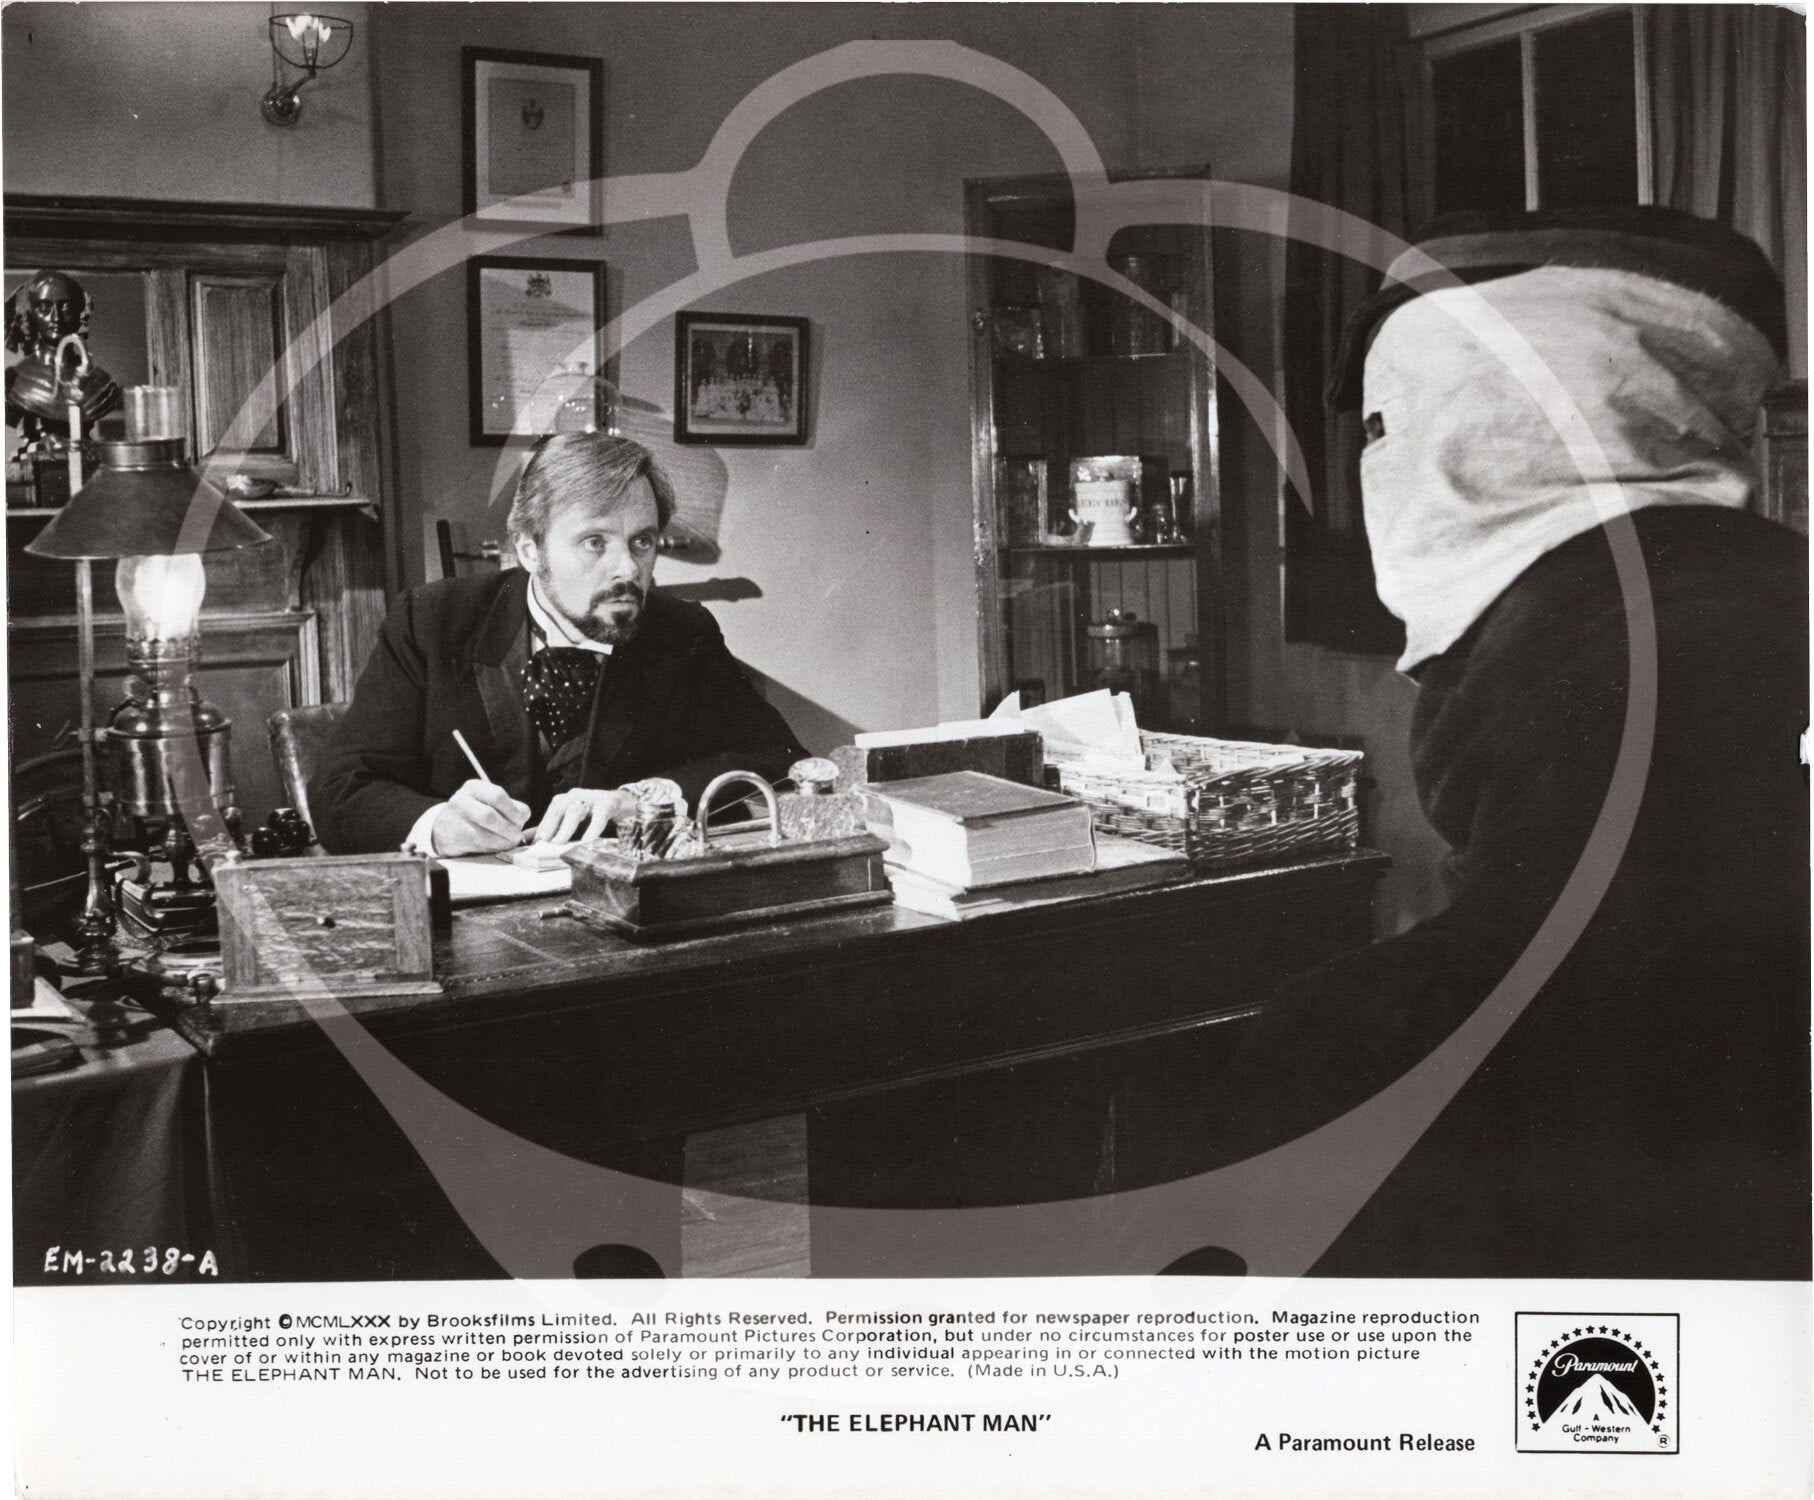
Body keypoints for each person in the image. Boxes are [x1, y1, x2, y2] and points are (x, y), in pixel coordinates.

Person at [1206, 208, 1809, 1279]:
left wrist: (1313, 1044)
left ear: (1496, 416)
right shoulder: (1759, 583)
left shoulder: (1600, 634)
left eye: (1390, 425)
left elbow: (1584, 994)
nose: (1378, 470)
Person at [310, 432, 808, 856]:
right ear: (529, 549)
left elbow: (780, 761)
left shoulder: (683, 632)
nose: (627, 569)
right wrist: (438, 824)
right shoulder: (434, 621)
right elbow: (340, 788)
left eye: (642, 541)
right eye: (595, 542)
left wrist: (641, 800)